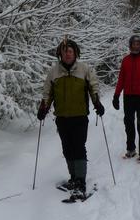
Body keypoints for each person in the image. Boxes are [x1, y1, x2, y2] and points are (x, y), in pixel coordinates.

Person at [37, 38, 104, 200]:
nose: (67, 54)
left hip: (80, 116)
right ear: (60, 54)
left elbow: (93, 87)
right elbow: (48, 92)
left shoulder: (84, 69)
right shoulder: (54, 72)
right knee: (67, 148)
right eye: (64, 51)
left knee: (79, 147)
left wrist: (97, 102)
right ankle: (73, 178)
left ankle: (80, 181)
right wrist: (44, 108)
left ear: (75, 53)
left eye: (70, 51)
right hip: (62, 117)